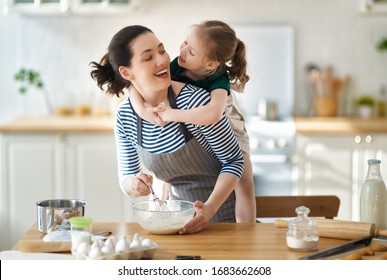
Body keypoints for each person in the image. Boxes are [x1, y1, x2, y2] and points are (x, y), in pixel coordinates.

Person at [90, 25, 245, 234]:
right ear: (126, 73)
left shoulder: (196, 103)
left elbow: (234, 161)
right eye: (148, 58)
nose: (162, 60)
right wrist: (134, 185)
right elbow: (126, 175)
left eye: (162, 50)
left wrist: (209, 209)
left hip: (220, 226)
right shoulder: (126, 116)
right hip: (172, 226)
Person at [129, 20, 256, 223]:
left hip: (226, 119)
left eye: (192, 51)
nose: (183, 50)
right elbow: (134, 84)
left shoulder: (219, 80)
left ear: (211, 65)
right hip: (191, 116)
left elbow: (214, 114)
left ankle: (247, 231)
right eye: (185, 42)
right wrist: (141, 109)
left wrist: (171, 115)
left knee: (244, 181)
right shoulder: (178, 64)